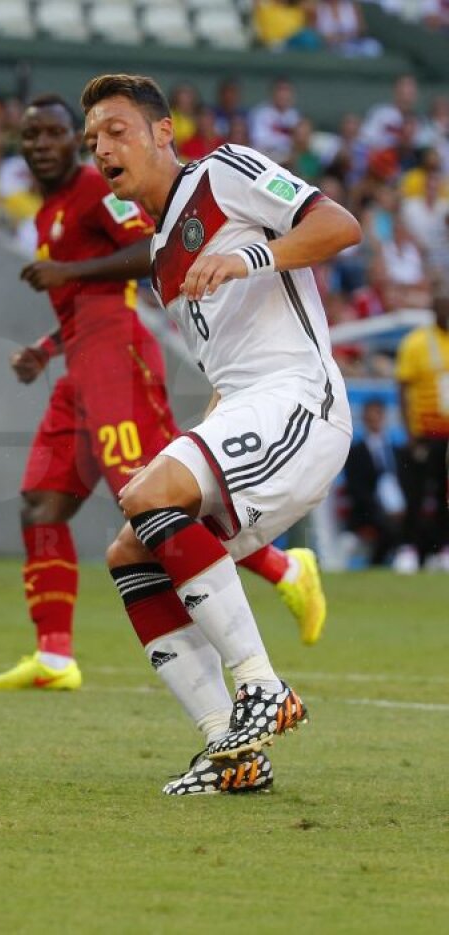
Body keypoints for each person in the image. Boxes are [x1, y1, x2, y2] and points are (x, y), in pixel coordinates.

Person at [0, 95, 328, 695]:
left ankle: (283, 567)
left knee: (151, 503)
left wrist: (68, 275)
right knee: (41, 503)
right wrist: (46, 345)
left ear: (74, 141)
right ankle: (55, 655)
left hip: (117, 359)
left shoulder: (99, 192)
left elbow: (154, 249)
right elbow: (80, 299)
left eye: (53, 134)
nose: (39, 145)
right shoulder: (49, 213)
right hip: (79, 367)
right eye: (29, 135)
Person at [81, 73, 361, 794]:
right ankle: (228, 751)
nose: (102, 148)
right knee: (129, 550)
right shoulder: (160, 258)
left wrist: (248, 255)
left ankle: (260, 684)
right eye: (93, 141)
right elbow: (228, 372)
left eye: (116, 130)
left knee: (147, 496)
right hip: (250, 406)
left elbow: (339, 226)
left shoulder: (222, 173)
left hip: (303, 397)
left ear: (161, 132)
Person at [392, 292, 449, 572]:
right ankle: (409, 548)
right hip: (425, 433)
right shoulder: (417, 343)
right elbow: (403, 388)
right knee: (416, 493)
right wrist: (410, 433)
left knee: (445, 495)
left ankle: (442, 549)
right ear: (434, 309)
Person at [343, 398, 405, 566]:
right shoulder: (355, 453)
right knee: (388, 528)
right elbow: (356, 489)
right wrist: (381, 509)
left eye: (378, 415)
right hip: (369, 512)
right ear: (364, 419)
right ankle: (377, 565)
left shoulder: (397, 451)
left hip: (399, 509)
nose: (375, 420)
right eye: (370, 416)